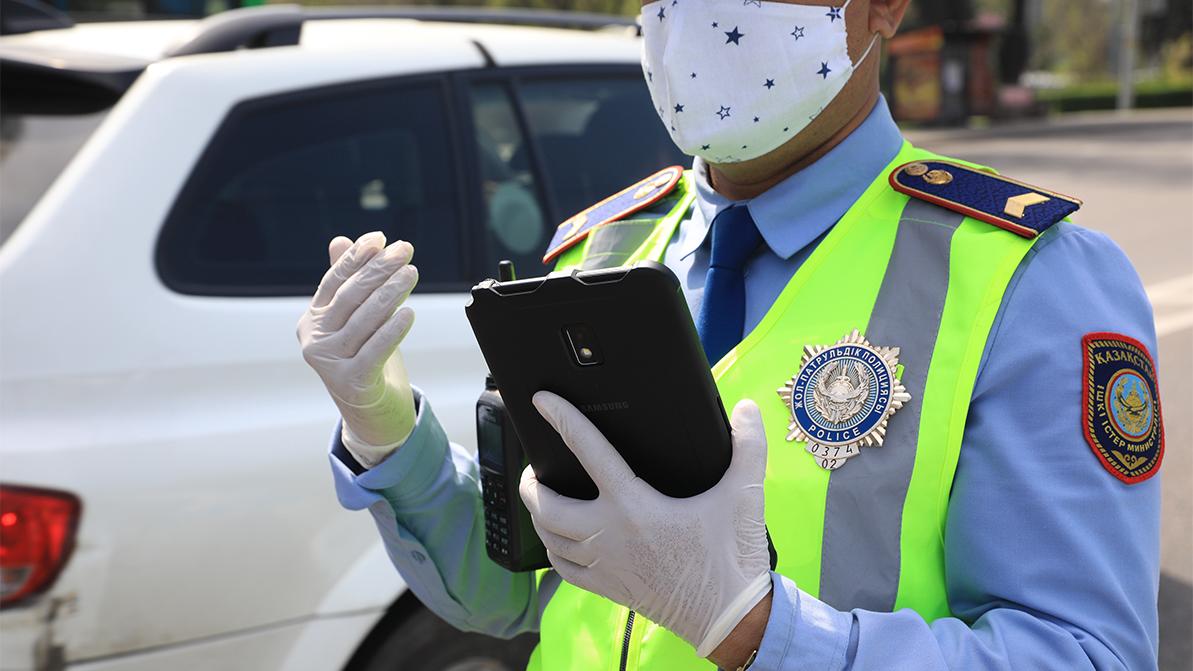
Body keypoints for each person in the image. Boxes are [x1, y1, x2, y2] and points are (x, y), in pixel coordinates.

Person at [297, 0, 1163, 668]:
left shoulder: (1025, 278)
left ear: (884, 7)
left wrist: (759, 630)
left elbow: (1082, 652)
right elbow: (522, 591)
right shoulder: (602, 245)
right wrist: (383, 426)